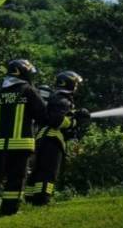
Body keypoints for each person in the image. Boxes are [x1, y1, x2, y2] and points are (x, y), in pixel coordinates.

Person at [0, 59, 48, 216]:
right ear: (25, 73)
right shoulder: (29, 91)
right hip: (21, 145)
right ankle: (9, 210)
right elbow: (43, 116)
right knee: (16, 178)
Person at [26, 71, 90, 205]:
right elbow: (57, 120)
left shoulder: (55, 97)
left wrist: (75, 115)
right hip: (52, 138)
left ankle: (30, 198)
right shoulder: (63, 98)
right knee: (49, 171)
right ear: (70, 83)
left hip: (43, 137)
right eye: (76, 83)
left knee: (38, 170)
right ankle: (42, 200)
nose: (77, 86)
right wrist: (75, 121)